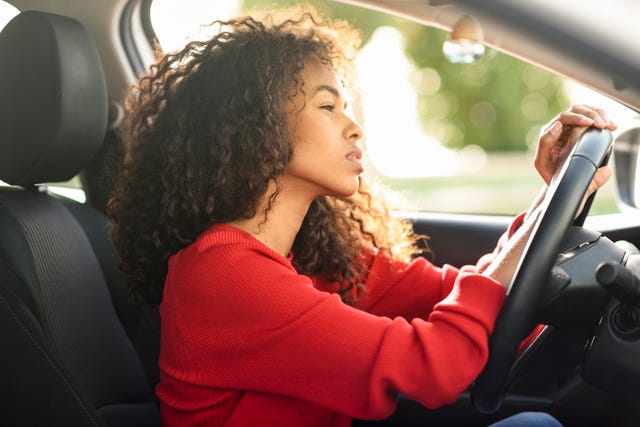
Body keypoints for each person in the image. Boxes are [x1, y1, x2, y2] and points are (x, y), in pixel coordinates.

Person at [107, 5, 616, 427]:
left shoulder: (306, 258)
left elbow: (453, 294)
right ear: (252, 129)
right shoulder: (223, 274)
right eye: (328, 108)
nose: (355, 129)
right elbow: (433, 366)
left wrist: (550, 201)